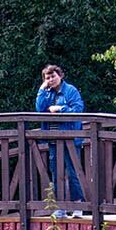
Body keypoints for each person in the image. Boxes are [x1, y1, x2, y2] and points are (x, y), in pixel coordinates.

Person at [35, 64, 86, 217]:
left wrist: (60, 108)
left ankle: (78, 205)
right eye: (47, 77)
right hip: (53, 139)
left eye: (53, 76)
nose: (50, 80)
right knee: (56, 173)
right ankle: (60, 208)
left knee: (73, 172)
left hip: (71, 138)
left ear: (60, 75)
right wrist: (41, 90)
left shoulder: (71, 90)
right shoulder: (47, 92)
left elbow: (78, 110)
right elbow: (39, 109)